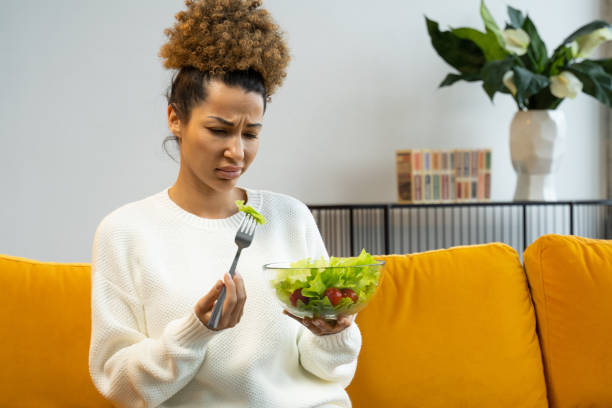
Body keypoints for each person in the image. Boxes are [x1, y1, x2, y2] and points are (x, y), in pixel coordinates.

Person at [88, 1, 362, 407]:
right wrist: (196, 331)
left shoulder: (289, 218)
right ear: (175, 118)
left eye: (251, 133)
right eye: (219, 130)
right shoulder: (126, 232)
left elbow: (329, 370)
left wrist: (333, 334)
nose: (237, 152)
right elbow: (121, 385)